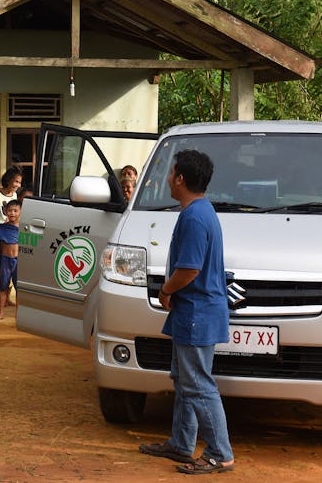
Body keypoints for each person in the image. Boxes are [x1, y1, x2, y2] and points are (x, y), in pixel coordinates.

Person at [138, 149, 235, 474]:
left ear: (180, 179)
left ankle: (220, 452)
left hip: (197, 312)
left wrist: (166, 290)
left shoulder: (194, 216)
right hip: (195, 312)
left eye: (171, 173)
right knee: (184, 379)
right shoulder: (200, 212)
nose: (167, 178)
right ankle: (182, 443)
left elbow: (189, 270)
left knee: (197, 384)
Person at [0, 167, 22, 301]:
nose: (18, 185)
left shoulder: (14, 195)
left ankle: (5, 298)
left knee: (11, 270)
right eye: (16, 182)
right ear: (9, 180)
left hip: (11, 233)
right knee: (2, 270)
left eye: (19, 183)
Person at [0, 199, 21, 320]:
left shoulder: (24, 228)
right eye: (10, 210)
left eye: (15, 211)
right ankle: (1, 312)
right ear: (5, 211)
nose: (12, 213)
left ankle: (18, 313)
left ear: (20, 212)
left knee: (18, 288)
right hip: (6, 260)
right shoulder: (2, 228)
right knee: (3, 287)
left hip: (19, 260)